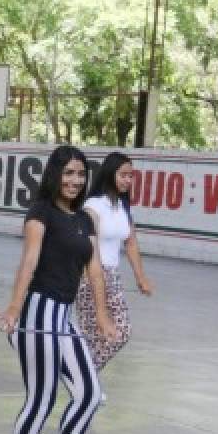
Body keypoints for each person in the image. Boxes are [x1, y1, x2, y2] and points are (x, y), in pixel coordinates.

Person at [0, 145, 116, 434]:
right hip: (37, 311)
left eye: (80, 174)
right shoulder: (40, 213)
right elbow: (28, 262)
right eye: (68, 173)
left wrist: (103, 317)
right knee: (42, 397)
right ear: (55, 175)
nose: (75, 180)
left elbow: (93, 272)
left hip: (63, 315)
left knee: (90, 394)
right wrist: (14, 309)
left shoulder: (85, 219)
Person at [75, 152, 153, 375]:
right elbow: (88, 246)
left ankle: (83, 378)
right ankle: (84, 380)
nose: (128, 180)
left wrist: (141, 277)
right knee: (96, 333)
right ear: (110, 174)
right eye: (123, 175)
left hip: (113, 275)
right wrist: (90, 275)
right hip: (90, 274)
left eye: (131, 176)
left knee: (117, 332)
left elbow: (131, 243)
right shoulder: (93, 206)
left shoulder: (123, 207)